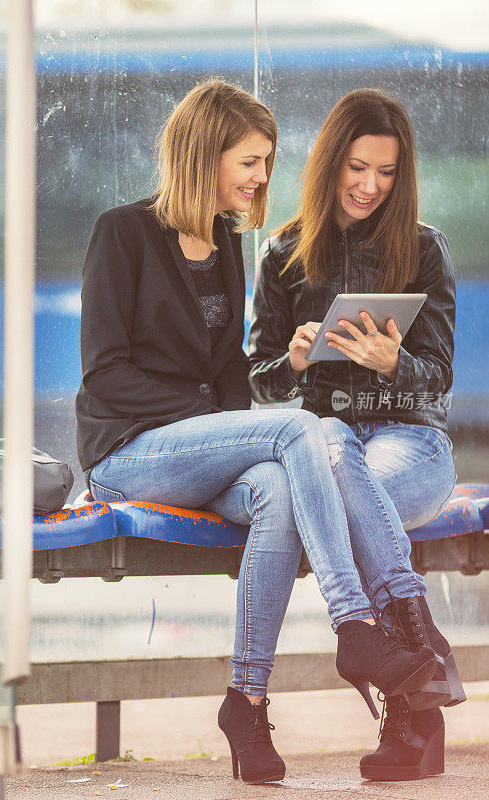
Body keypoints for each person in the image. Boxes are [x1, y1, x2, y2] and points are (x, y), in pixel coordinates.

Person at [76, 79, 444, 786]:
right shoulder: (121, 233)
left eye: (266, 162)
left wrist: (275, 374)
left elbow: (230, 380)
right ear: (204, 154)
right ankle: (360, 626)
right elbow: (105, 375)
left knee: (280, 485)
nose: (260, 177)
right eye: (249, 161)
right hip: (129, 452)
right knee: (304, 429)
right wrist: (210, 415)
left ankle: (245, 701)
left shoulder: (223, 243)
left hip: (200, 446)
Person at [248, 87, 465, 781]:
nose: (370, 185)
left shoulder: (425, 250)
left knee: (341, 463)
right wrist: (297, 361)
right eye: (357, 167)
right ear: (329, 162)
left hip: (410, 442)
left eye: (387, 172)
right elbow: (254, 384)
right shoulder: (282, 251)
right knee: (331, 441)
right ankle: (416, 690)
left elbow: (435, 381)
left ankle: (404, 684)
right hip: (327, 448)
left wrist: (393, 363)